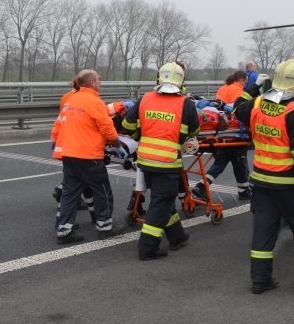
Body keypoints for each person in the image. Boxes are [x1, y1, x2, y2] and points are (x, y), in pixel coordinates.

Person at [233, 58, 294, 294]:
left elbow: (237, 109)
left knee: (263, 233)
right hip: (292, 186)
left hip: (262, 183)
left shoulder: (256, 104)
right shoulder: (293, 111)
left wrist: (254, 87)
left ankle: (260, 280)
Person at [122, 62, 201, 261]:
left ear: (159, 78)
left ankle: (177, 237)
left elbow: (127, 124)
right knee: (160, 202)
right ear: (181, 81)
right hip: (167, 163)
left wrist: (141, 133)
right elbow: (194, 132)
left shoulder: (145, 98)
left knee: (162, 201)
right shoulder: (186, 104)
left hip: (146, 160)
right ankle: (147, 248)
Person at [51, 75, 130, 231]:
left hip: (69, 155)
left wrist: (54, 142)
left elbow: (58, 123)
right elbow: (107, 128)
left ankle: (64, 230)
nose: (100, 83)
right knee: (102, 192)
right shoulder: (94, 102)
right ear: (92, 82)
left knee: (69, 193)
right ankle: (105, 227)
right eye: (99, 80)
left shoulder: (70, 100)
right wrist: (117, 145)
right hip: (89, 157)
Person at [191, 70, 252, 201]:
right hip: (231, 130)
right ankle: (243, 189)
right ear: (241, 80)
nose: (245, 85)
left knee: (231, 157)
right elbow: (238, 112)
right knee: (236, 155)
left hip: (219, 129)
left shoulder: (223, 88)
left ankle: (244, 189)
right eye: (245, 83)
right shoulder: (238, 91)